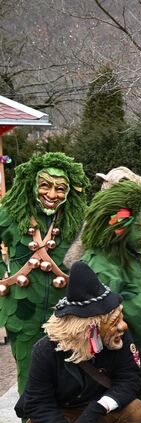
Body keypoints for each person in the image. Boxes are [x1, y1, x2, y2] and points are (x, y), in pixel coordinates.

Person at [12, 262, 141, 423]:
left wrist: (98, 408)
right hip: (61, 411)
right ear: (91, 328)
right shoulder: (46, 350)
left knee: (137, 412)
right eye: (114, 322)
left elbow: (131, 379)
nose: (123, 326)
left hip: (101, 406)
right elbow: (37, 401)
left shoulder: (119, 339)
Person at [79, 180, 141, 419]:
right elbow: (112, 311)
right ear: (121, 226)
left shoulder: (138, 255)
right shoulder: (101, 264)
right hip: (124, 355)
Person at [0, 152, 87, 392]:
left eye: (60, 188)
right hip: (23, 310)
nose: (51, 195)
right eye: (45, 186)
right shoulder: (11, 213)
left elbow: (93, 255)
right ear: (32, 185)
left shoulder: (77, 219)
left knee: (67, 370)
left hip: (65, 309)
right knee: (28, 376)